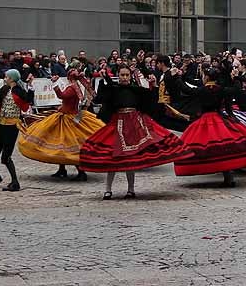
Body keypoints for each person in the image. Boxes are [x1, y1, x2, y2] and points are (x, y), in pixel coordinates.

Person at [78, 65, 191, 200]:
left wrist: (153, 85)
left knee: (131, 159)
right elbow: (100, 98)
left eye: (127, 75)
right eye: (122, 75)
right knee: (112, 159)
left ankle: (130, 189)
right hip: (117, 124)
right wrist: (104, 80)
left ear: (130, 76)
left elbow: (151, 100)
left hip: (134, 125)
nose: (125, 78)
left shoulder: (136, 90)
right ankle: (108, 189)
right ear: (118, 76)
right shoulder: (113, 89)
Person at [174, 67, 246, 187]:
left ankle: (210, 167)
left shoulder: (202, 90)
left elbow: (186, 89)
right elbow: (236, 90)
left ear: (206, 77)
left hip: (204, 121)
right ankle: (228, 175)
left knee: (204, 146)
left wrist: (177, 78)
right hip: (220, 119)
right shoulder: (221, 89)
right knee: (225, 147)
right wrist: (236, 77)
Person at [16, 66, 102, 182]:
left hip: (68, 118)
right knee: (60, 143)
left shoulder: (72, 88)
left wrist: (55, 83)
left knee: (68, 143)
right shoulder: (76, 87)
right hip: (69, 115)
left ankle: (81, 171)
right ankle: (62, 169)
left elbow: (62, 96)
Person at [0, 68, 34, 192]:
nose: (5, 78)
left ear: (12, 79)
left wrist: (30, 85)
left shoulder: (19, 91)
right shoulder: (5, 89)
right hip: (2, 124)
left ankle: (15, 182)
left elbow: (28, 99)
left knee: (6, 156)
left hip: (12, 126)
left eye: (6, 77)